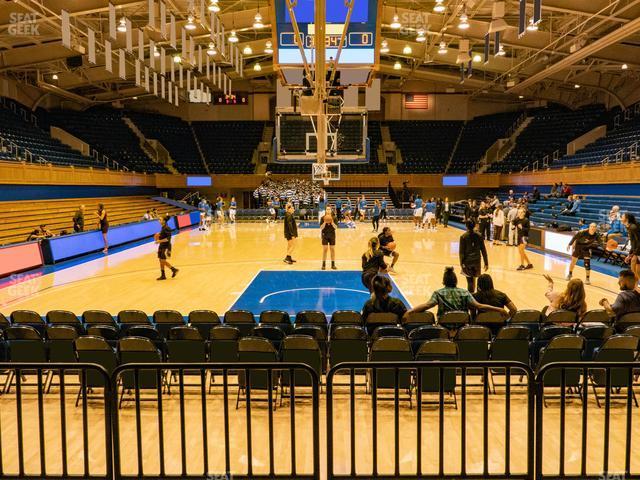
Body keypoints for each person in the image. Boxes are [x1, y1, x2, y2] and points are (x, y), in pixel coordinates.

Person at [405, 267, 507, 320]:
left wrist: (410, 312)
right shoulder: (465, 292)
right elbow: (479, 306)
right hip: (462, 325)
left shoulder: (438, 293)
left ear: (444, 281)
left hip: (444, 325)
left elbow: (427, 305)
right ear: (455, 280)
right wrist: (499, 309)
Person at [459, 220, 488, 292]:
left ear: (466, 226)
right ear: (475, 225)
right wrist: (486, 263)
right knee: (475, 279)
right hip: (477, 260)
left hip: (467, 261)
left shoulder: (463, 236)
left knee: (469, 281)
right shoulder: (479, 235)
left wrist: (461, 263)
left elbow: (461, 252)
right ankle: (475, 297)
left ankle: (471, 298)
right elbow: (483, 250)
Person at [156, 216, 179, 280]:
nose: (159, 221)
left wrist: (159, 241)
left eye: (160, 219)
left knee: (163, 260)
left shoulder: (167, 228)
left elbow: (168, 239)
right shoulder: (163, 228)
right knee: (160, 260)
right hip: (161, 245)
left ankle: (174, 269)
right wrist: (159, 235)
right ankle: (163, 275)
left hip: (166, 246)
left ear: (164, 221)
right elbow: (163, 236)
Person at [622, 212, 640, 281]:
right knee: (634, 266)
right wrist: (630, 254)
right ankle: (635, 285)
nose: (621, 218)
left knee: (636, 267)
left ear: (626, 219)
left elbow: (638, 241)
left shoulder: (633, 227)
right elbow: (633, 242)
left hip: (639, 249)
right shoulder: (629, 227)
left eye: (622, 217)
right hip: (637, 249)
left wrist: (633, 253)